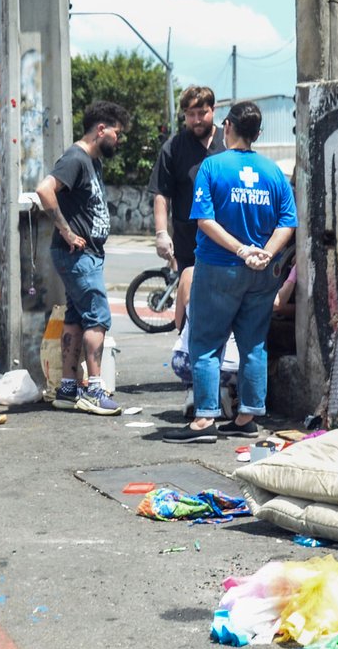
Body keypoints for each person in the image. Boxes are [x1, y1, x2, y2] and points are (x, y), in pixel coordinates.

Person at [164, 101, 295, 444]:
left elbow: (204, 221)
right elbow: (288, 223)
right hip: (263, 272)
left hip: (219, 268)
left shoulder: (212, 167)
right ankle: (247, 416)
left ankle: (204, 420)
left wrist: (239, 250)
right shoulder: (273, 172)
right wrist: (265, 252)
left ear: (228, 127)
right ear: (258, 134)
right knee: (253, 344)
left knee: (205, 343)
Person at [34, 99, 130, 415]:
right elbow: (44, 190)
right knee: (98, 317)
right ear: (100, 129)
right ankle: (95, 389)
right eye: (117, 132)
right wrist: (65, 230)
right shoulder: (75, 158)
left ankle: (67, 389)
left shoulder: (92, 161)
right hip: (78, 255)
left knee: (76, 317)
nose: (119, 139)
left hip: (85, 254)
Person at [149, 86, 224, 332]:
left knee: (225, 307)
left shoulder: (230, 142)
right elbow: (162, 193)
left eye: (202, 113)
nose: (197, 120)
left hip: (229, 241)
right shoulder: (174, 147)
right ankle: (191, 358)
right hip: (189, 243)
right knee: (192, 306)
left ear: (214, 110)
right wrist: (161, 233)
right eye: (190, 114)